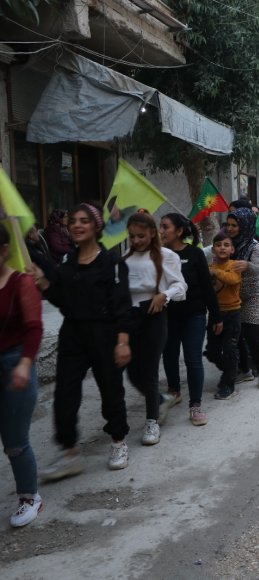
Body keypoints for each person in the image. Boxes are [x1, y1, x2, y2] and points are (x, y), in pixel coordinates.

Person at [33, 203, 133, 479]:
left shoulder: (112, 262)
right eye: (73, 221)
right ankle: (69, 453)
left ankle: (118, 442)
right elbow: (61, 299)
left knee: (111, 390)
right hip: (73, 334)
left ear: (96, 226)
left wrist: (123, 342)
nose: (76, 225)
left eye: (83, 221)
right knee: (64, 394)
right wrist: (44, 284)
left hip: (105, 334)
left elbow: (122, 305)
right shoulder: (67, 262)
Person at [123, 213, 186, 445]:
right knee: (132, 371)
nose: (136, 240)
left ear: (152, 233)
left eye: (141, 235)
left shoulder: (166, 256)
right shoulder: (125, 257)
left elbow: (181, 286)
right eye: (132, 236)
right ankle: (160, 400)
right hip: (129, 317)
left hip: (154, 315)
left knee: (149, 370)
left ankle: (152, 421)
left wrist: (164, 295)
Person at [160, 214, 221, 426]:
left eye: (165, 227)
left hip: (194, 315)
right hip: (167, 316)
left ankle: (195, 405)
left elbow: (207, 287)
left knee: (193, 359)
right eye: (160, 226)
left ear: (179, 231)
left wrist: (216, 315)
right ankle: (174, 392)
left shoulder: (194, 254)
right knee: (169, 356)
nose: (161, 231)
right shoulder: (158, 255)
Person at [1, 227, 44, 526]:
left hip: (15, 364)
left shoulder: (21, 282)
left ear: (4, 250)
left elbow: (34, 328)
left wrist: (25, 364)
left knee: (14, 439)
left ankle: (29, 497)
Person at [225, 208, 259, 387]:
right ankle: (245, 370)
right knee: (236, 336)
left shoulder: (253, 246)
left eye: (234, 225)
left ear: (244, 226)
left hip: (252, 296)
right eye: (228, 225)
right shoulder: (224, 243)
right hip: (231, 297)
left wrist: (248, 265)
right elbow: (207, 254)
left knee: (252, 335)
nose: (230, 228)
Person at [206, 233, 242, 400]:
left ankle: (229, 384)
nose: (222, 247)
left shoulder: (235, 265)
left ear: (232, 250)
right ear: (213, 249)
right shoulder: (208, 267)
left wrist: (215, 272)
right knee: (211, 352)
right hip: (215, 314)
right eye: (218, 245)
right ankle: (231, 370)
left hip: (233, 314)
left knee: (229, 350)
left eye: (226, 245)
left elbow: (232, 279)